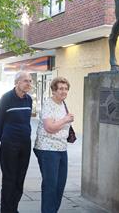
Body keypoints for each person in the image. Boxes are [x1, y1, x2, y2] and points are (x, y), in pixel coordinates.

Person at [0, 71, 33, 213]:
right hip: (9, 145)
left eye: (30, 81)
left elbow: (26, 122)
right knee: (9, 179)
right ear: (17, 83)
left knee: (20, 178)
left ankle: (13, 209)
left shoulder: (29, 99)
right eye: (25, 81)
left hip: (25, 145)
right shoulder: (6, 98)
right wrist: (6, 139)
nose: (29, 83)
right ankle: (6, 210)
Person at [34, 77, 74, 213]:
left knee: (60, 185)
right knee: (50, 185)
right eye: (61, 89)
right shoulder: (48, 104)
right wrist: (65, 119)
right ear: (54, 91)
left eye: (66, 88)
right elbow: (49, 127)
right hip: (47, 149)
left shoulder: (63, 104)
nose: (64, 91)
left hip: (62, 148)